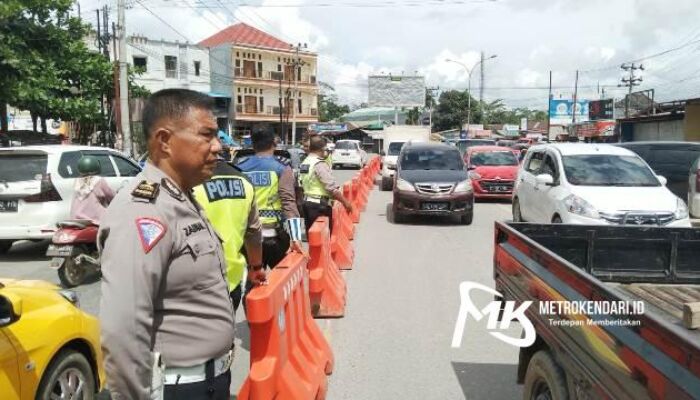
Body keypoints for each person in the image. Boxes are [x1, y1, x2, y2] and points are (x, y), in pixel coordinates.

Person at [99, 89, 235, 400]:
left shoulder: (182, 198)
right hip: (177, 389)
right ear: (164, 141)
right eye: (207, 135)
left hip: (210, 381)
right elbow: (123, 327)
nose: (218, 147)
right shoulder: (144, 210)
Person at [193, 149, 265, 313]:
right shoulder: (244, 181)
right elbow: (253, 231)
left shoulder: (190, 181)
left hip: (198, 284)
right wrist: (256, 267)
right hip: (232, 279)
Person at [236, 130, 305, 270]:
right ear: (274, 143)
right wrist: (296, 237)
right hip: (273, 237)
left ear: (253, 144)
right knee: (279, 283)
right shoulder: (281, 168)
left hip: (245, 239)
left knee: (251, 285)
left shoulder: (239, 169)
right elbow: (288, 202)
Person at [299, 135, 354, 233]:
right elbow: (331, 189)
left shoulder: (305, 162)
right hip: (319, 206)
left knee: (312, 238)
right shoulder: (319, 164)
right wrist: (346, 203)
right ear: (323, 148)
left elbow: (300, 184)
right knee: (322, 238)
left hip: (307, 204)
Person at [69, 155, 115, 224]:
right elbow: (111, 195)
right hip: (94, 221)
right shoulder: (98, 181)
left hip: (76, 220)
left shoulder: (77, 181)